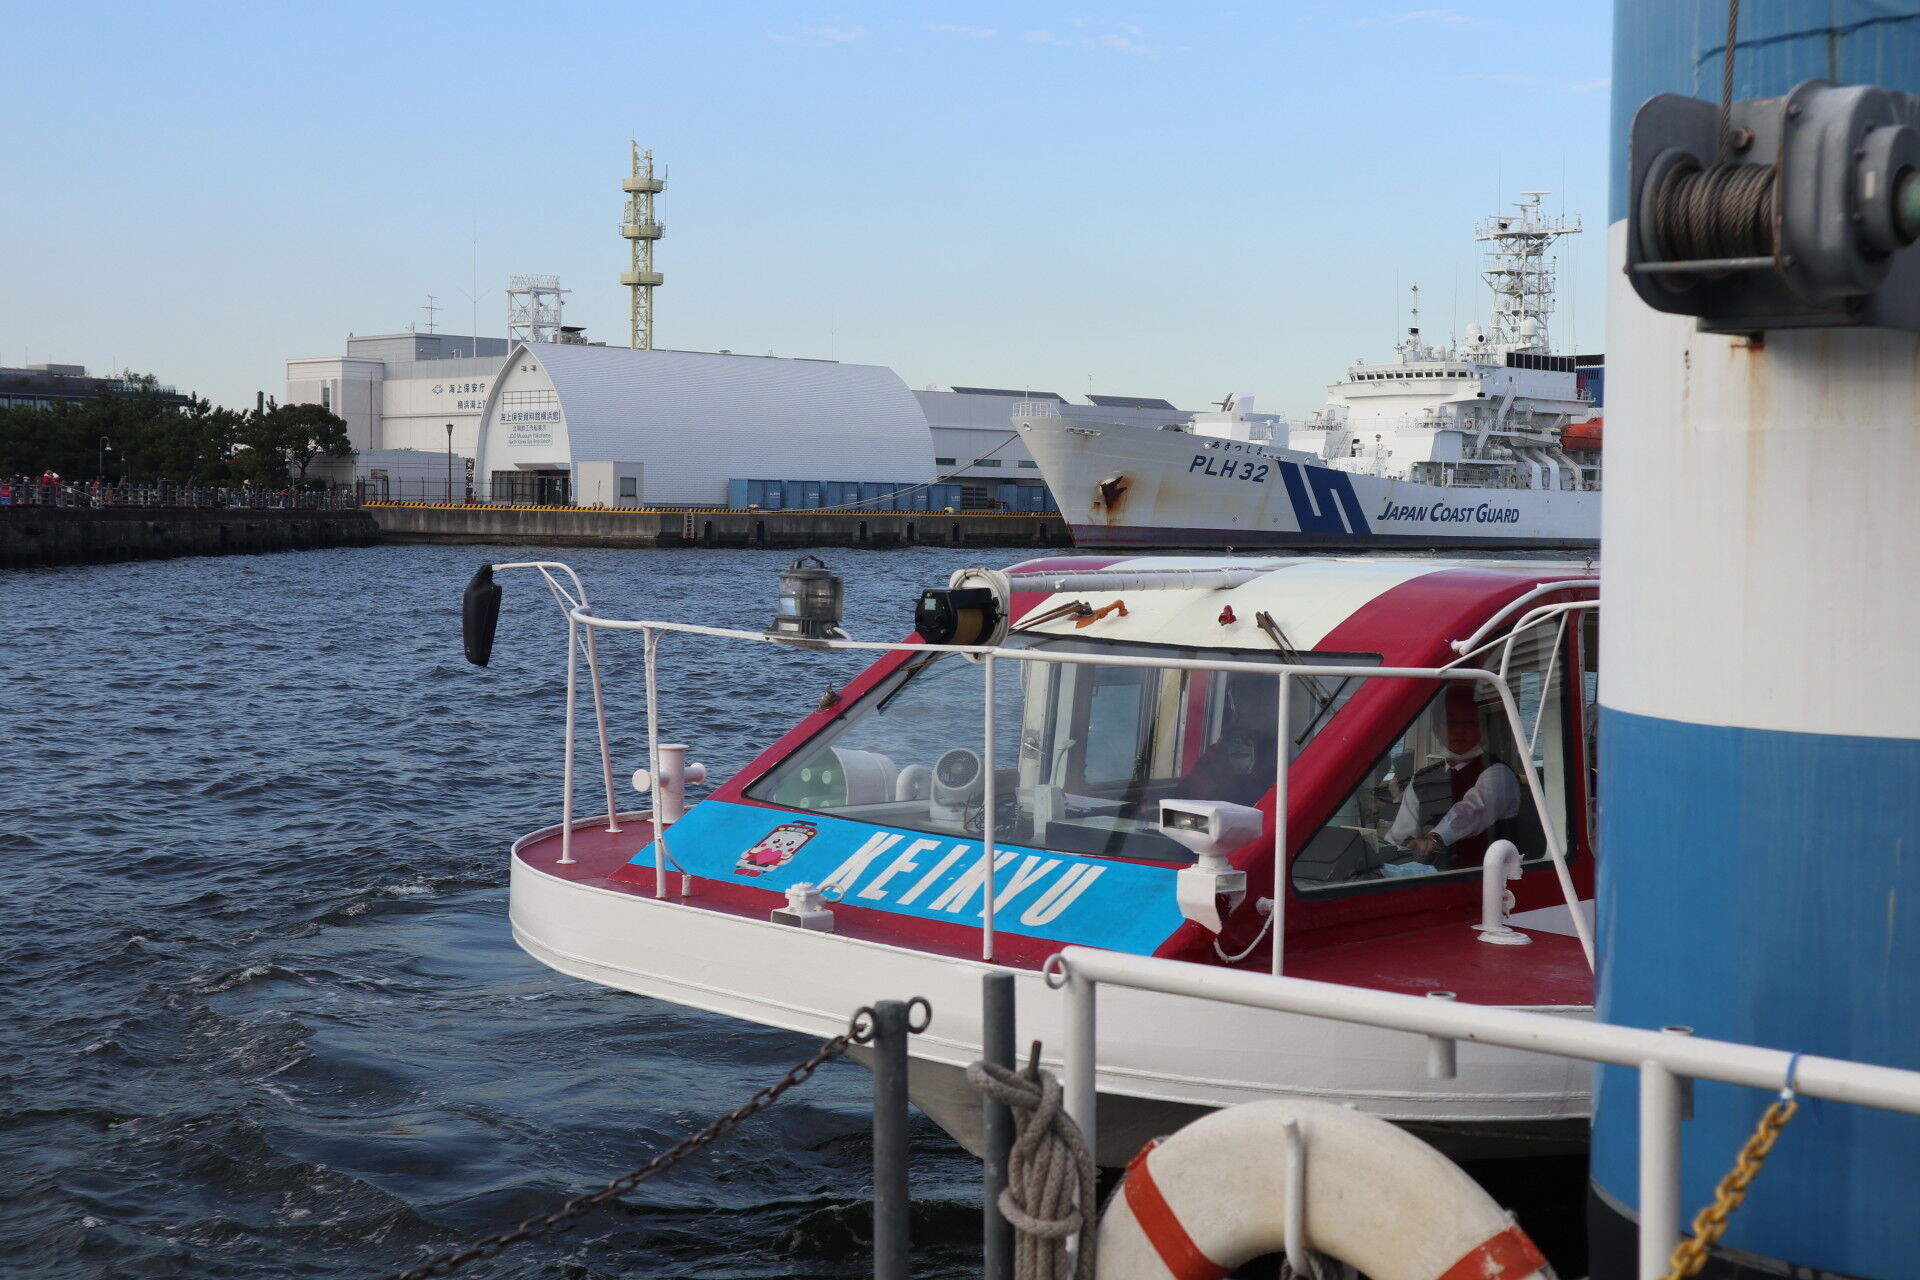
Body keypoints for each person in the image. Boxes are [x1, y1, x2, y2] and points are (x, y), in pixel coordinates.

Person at [1385, 685, 1519, 869]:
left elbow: (1472, 810)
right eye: (1451, 723)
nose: (1460, 730)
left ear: (1482, 728)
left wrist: (1434, 839)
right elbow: (1400, 833)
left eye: (1470, 723)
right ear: (1436, 731)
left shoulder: (1499, 774)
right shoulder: (1421, 779)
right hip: (1431, 876)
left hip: (1488, 880)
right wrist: (1390, 852)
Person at [1180, 673, 1280, 807]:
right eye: (1243, 698)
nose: (1247, 707)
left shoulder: (1274, 750)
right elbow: (1195, 796)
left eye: (1257, 698)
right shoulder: (1214, 755)